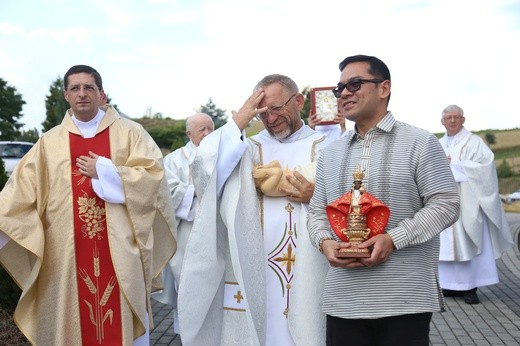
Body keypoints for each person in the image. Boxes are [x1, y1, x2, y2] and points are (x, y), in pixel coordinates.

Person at [0, 64, 177, 345]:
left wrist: (106, 171)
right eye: (75, 88)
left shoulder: (131, 133)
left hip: (119, 250)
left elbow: (152, 178)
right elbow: (20, 191)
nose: (82, 94)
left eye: (89, 88)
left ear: (101, 94)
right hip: (66, 255)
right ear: (66, 95)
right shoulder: (49, 142)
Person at [307, 54, 460, 345]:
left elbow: (446, 202)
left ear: (384, 88)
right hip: (344, 299)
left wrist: (393, 239)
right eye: (340, 88)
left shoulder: (420, 141)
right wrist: (325, 242)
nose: (345, 93)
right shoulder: (330, 153)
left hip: (404, 297)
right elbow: (316, 212)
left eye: (355, 83)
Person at [177, 74, 330, 345]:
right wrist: (238, 122)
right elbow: (203, 172)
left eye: (276, 108)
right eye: (261, 114)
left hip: (311, 265)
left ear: (298, 101)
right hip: (253, 266)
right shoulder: (246, 148)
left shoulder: (328, 147)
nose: (270, 119)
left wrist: (315, 195)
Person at [438, 104, 514, 304]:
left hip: (468, 201)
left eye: (457, 117)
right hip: (445, 203)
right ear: (442, 121)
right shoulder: (437, 144)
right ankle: (449, 286)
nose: (453, 120)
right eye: (449, 118)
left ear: (463, 120)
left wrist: (454, 167)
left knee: (470, 239)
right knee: (445, 245)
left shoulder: (474, 143)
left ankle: (470, 287)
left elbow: (485, 167)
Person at [152, 112, 214, 333]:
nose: (207, 134)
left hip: (216, 232)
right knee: (188, 285)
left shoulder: (220, 155)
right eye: (201, 130)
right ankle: (187, 332)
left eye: (210, 129)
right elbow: (166, 192)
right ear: (189, 134)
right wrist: (195, 190)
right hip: (187, 232)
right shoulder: (174, 160)